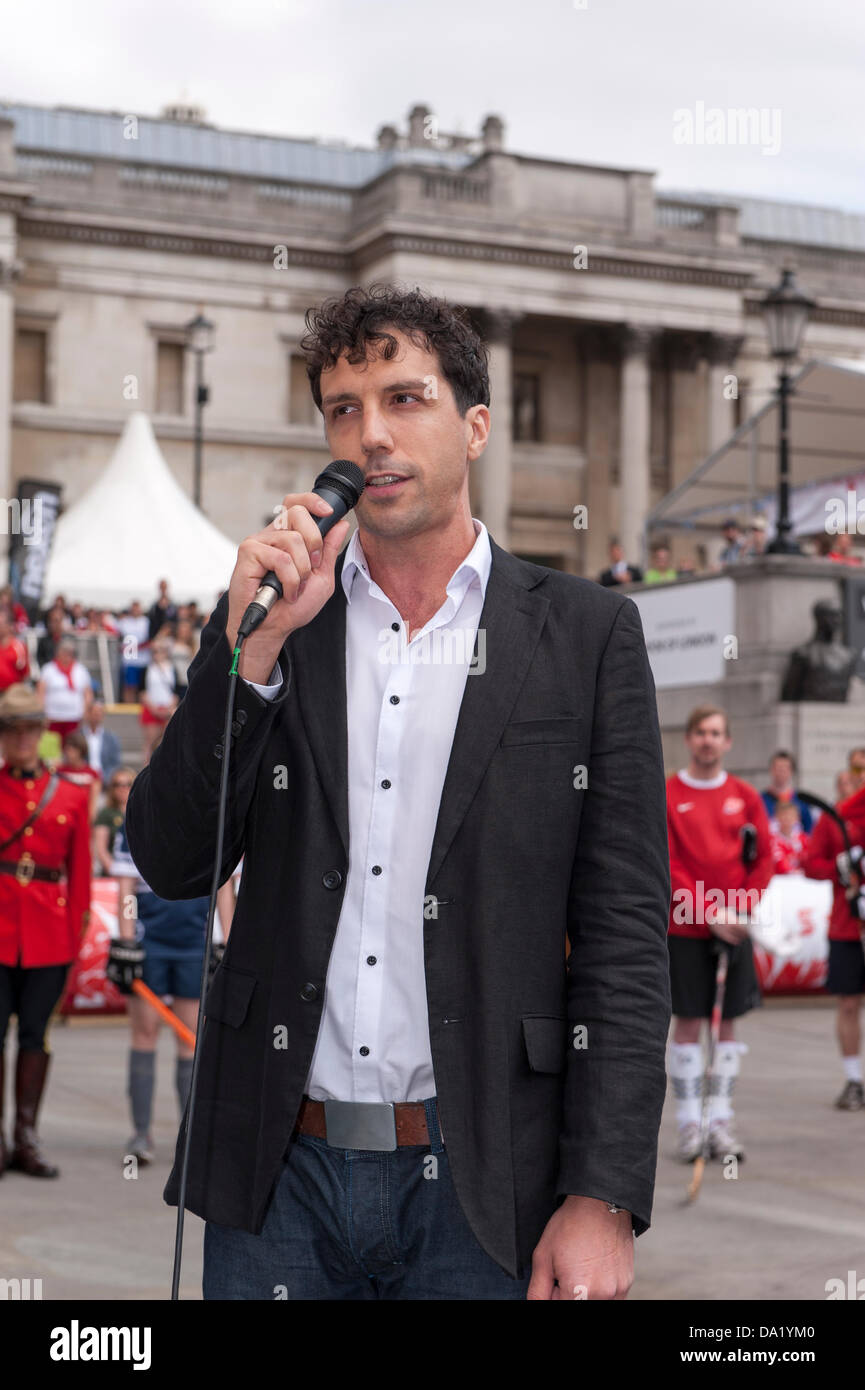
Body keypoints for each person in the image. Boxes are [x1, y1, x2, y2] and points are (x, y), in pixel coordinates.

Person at [126, 283, 671, 1302]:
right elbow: (167, 853)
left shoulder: (588, 635)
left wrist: (600, 1195)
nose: (369, 434)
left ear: (475, 427)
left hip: (484, 1179)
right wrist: (248, 662)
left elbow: (627, 936)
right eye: (342, 407)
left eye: (404, 398)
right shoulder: (280, 614)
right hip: (278, 1178)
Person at [666, 704, 773, 1163]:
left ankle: (721, 1122)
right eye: (700, 733)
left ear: (728, 742)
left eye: (716, 733)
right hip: (687, 929)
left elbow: (764, 858)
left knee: (727, 1026)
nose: (708, 740)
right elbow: (666, 862)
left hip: (734, 931)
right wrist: (709, 912)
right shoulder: (669, 793)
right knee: (688, 1024)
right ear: (689, 740)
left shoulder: (745, 795)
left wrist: (740, 908)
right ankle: (690, 1124)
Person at [0, 684, 91, 1178]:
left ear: (42, 734)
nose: (21, 738)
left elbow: (79, 878)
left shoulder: (74, 795)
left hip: (48, 937)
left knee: (36, 1037)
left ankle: (26, 1138)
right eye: (12, 730)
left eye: (29, 729)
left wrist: (73, 947)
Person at [106, 802, 221, 1167]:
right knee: (144, 1034)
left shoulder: (214, 818)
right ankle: (141, 1135)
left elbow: (227, 887)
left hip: (193, 944)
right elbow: (126, 887)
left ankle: (190, 1139)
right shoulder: (140, 818)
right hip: (149, 943)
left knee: (189, 1040)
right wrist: (126, 940)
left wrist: (225, 941)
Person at [802, 750, 865, 1110]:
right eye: (855, 767)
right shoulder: (834, 818)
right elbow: (810, 863)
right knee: (847, 1004)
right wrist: (837, 869)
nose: (859, 774)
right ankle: (854, 1079)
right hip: (845, 926)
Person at [37, 637, 93, 738]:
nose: (66, 656)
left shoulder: (81, 670)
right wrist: (42, 713)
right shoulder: (48, 669)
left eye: (69, 653)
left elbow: (88, 694)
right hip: (53, 717)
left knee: (73, 749)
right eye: (64, 652)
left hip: (74, 717)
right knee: (52, 750)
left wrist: (85, 712)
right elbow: (41, 693)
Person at [139, 637, 178, 762]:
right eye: (155, 651)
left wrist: (170, 708)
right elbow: (143, 691)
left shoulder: (172, 668)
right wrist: (154, 709)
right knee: (150, 743)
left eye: (160, 650)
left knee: (168, 742)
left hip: (167, 708)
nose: (157, 654)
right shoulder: (147, 669)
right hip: (152, 708)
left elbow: (176, 690)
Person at [93, 767, 134, 876]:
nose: (122, 788)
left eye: (128, 784)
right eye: (117, 784)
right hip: (114, 872)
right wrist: (115, 871)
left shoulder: (142, 812)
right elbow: (101, 849)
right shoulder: (106, 814)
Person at [761, 749, 814, 833]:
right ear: (771, 770)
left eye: (785, 768)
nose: (781, 772)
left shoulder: (802, 801)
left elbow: (809, 832)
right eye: (778, 768)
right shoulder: (760, 800)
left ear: (791, 771)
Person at [56, 731, 102, 823]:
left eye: (72, 750)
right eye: (67, 749)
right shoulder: (58, 771)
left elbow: (93, 800)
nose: (68, 753)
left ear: (81, 751)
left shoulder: (92, 773)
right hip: (63, 816)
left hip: (83, 815)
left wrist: (90, 819)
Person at [116, 600, 151, 704]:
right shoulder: (124, 622)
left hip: (144, 660)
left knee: (143, 688)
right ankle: (129, 707)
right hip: (129, 661)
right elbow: (117, 636)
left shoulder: (147, 622)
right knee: (130, 687)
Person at [81, 698, 122, 784]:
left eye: (100, 713)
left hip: (105, 780)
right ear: (88, 714)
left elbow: (115, 762)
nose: (97, 716)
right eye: (95, 713)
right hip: (83, 779)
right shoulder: (78, 735)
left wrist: (105, 777)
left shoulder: (111, 738)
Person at [769, 794, 808, 875]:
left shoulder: (803, 838)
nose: (787, 818)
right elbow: (779, 863)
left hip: (801, 881)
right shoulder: (772, 839)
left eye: (790, 815)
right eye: (783, 815)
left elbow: (808, 859)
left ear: (797, 818)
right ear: (777, 817)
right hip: (780, 881)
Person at [0, 609, 30, 692]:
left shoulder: (18, 647)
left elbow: (24, 673)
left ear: (9, 626)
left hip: (12, 693)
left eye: (1, 624)